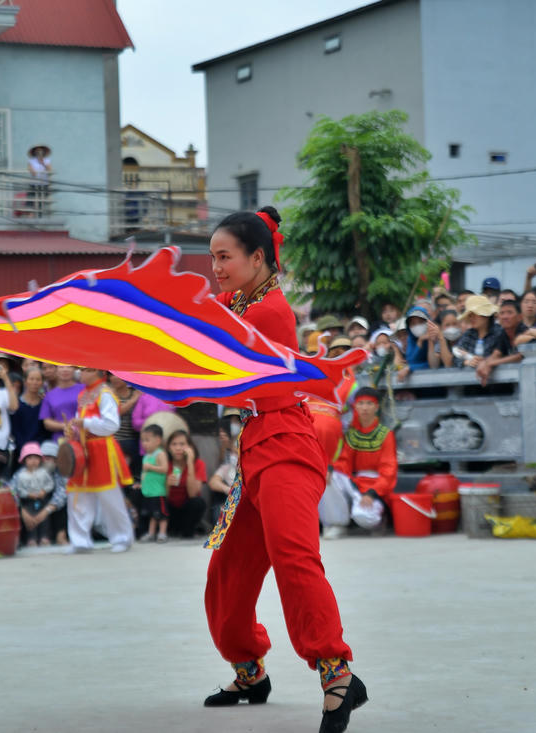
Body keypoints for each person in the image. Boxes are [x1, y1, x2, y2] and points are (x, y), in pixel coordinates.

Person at [201, 207, 365, 731]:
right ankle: (250, 671)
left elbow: (215, 359)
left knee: (295, 558)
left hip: (287, 445)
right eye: (212, 258)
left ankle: (336, 674)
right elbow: (202, 314)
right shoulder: (239, 301)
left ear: (257, 258)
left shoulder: (268, 311)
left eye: (224, 257)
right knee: (227, 570)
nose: (216, 268)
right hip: (254, 450)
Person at [63, 367, 134, 554]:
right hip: (83, 449)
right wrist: (74, 430)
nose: (80, 374)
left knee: (110, 497)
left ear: (95, 372)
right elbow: (81, 423)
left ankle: (122, 538)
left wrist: (84, 423)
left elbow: (111, 425)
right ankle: (80, 541)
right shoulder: (83, 394)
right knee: (77, 495)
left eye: (83, 370)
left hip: (101, 449)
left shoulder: (105, 394)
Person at [331, 388, 397, 532]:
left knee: (365, 517)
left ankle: (380, 518)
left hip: (376, 482)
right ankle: (337, 522)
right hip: (355, 482)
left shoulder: (386, 435)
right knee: (330, 476)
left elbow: (389, 469)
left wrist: (372, 493)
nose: (365, 408)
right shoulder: (351, 433)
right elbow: (343, 462)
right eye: (360, 404)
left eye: (369, 404)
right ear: (355, 406)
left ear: (377, 407)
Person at [10, 442, 57, 547]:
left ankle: (44, 537)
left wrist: (44, 491)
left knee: (45, 520)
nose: (33, 461)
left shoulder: (44, 472)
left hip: (42, 499)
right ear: (24, 460)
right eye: (30, 458)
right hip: (28, 501)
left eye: (36, 458)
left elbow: (51, 483)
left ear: (40, 459)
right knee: (30, 520)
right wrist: (28, 494)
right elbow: (18, 490)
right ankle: (31, 539)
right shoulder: (21, 475)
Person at [165, 430, 207, 538]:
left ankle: (187, 532)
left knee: (198, 502)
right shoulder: (164, 464)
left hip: (186, 509)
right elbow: (162, 498)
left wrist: (190, 463)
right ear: (169, 448)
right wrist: (167, 484)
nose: (178, 448)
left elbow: (193, 494)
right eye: (174, 444)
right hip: (170, 510)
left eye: (182, 444)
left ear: (189, 447)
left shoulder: (198, 464)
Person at [137, 424, 170, 543]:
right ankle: (151, 533)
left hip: (158, 491)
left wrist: (150, 467)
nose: (144, 443)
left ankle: (162, 532)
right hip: (148, 491)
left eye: (147, 440)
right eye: (143, 440)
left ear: (158, 440)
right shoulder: (146, 456)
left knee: (161, 514)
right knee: (152, 514)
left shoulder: (160, 453)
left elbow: (165, 469)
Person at [452, 295, 500, 369]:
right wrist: (466, 362)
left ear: (485, 315)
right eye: (470, 316)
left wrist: (469, 356)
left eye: (475, 314)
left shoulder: (498, 332)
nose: (472, 318)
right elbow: (455, 357)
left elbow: (502, 356)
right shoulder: (468, 334)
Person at [11, 366, 46, 462]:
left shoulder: (44, 404)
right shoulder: (17, 404)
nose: (34, 382)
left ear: (42, 382)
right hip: (20, 449)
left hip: (40, 450)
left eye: (38, 380)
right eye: (31, 379)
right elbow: (15, 429)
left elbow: (45, 430)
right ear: (25, 381)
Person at [41, 364, 81, 441]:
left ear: (74, 369)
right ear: (56, 370)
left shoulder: (83, 389)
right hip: (60, 441)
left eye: (69, 366)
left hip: (83, 438)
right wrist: (65, 426)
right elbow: (46, 422)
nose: (65, 369)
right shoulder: (49, 395)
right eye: (61, 367)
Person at [39, 440, 69, 545]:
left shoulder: (61, 471)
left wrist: (49, 508)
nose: (48, 461)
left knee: (66, 504)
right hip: (35, 505)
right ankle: (36, 538)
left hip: (54, 508)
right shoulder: (29, 470)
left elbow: (64, 491)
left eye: (51, 458)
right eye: (45, 458)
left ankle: (61, 534)